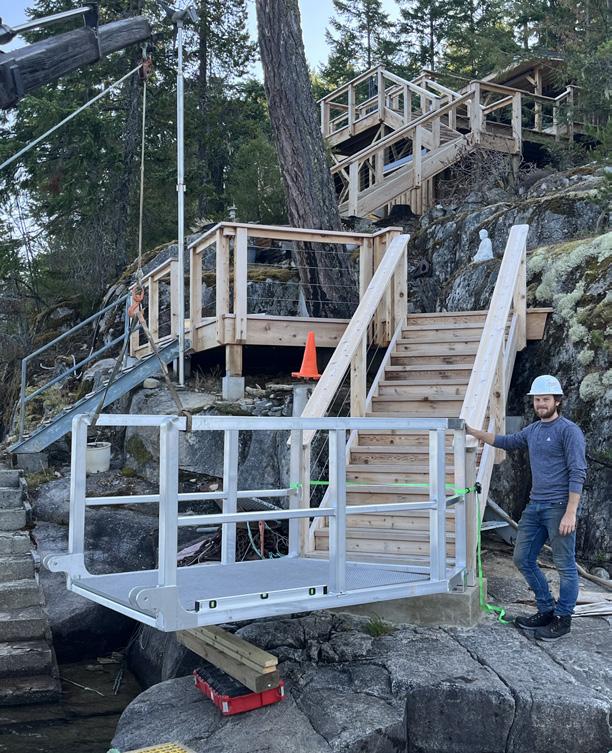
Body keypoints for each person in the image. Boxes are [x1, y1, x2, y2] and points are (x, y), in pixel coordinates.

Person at [466, 375, 587, 640]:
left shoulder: (569, 431)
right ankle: (546, 609)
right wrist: (474, 432)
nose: (540, 404)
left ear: (557, 401)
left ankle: (563, 619)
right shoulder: (533, 431)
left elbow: (578, 471)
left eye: (545, 399)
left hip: (559, 507)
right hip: (535, 506)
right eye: (537, 399)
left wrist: (570, 512)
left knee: (565, 565)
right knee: (522, 558)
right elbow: (506, 441)